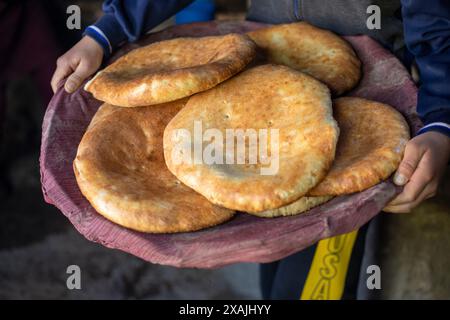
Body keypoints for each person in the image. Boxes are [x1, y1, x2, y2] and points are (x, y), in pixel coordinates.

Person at [50, 0, 450, 299]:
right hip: (258, 80)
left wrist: (441, 122)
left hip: (354, 119)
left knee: (310, 284)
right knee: (269, 263)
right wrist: (105, 31)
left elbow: (435, 25)